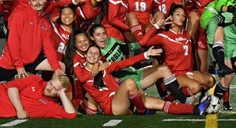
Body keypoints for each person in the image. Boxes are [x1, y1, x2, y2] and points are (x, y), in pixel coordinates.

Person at [77, 45, 210, 116]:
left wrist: (145, 55)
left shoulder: (105, 67)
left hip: (123, 99)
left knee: (159, 103)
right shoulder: (82, 72)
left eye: (96, 53)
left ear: (100, 56)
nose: (93, 55)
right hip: (112, 107)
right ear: (85, 55)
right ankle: (141, 111)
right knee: (129, 82)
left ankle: (195, 110)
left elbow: (125, 62)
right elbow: (82, 80)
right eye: (90, 52)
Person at [88, 24, 190, 103]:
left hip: (132, 73)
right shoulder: (95, 53)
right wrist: (145, 55)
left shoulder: (112, 41)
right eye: (98, 35)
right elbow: (119, 65)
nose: (102, 37)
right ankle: (180, 100)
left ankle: (179, 99)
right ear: (92, 38)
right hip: (123, 84)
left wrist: (155, 26)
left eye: (103, 33)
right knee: (148, 106)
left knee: (163, 69)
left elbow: (139, 44)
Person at [142, 5, 216, 98]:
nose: (181, 18)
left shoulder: (187, 35)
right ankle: (169, 100)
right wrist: (156, 26)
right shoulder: (164, 36)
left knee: (210, 80)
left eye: (183, 15)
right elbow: (143, 42)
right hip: (173, 75)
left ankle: (189, 99)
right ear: (171, 17)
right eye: (178, 15)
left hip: (188, 73)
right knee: (195, 87)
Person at [0, 0, 65, 81]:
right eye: (34, 0)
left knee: (61, 67)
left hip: (31, 62)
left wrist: (56, 68)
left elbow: (48, 48)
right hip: (11, 63)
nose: (37, 2)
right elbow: (12, 42)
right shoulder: (20, 14)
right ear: (29, 2)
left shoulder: (45, 23)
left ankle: (51, 93)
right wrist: (19, 66)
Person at [186, 0, 224, 72]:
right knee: (203, 68)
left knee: (222, 68)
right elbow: (186, 9)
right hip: (202, 35)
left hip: (217, 33)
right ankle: (188, 49)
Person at [0, 75, 76, 119]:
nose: (49, 88)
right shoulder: (36, 80)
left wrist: (62, 94)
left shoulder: (51, 106)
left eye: (55, 89)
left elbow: (71, 115)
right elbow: (12, 88)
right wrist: (20, 110)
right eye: (51, 84)